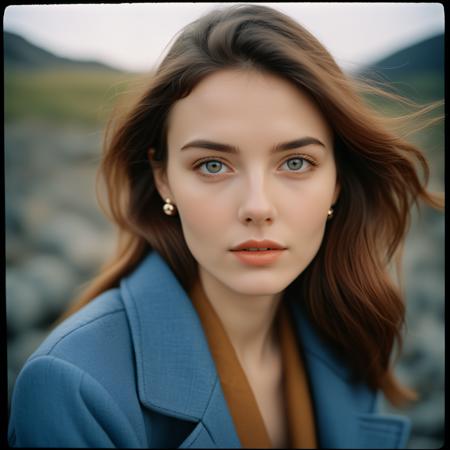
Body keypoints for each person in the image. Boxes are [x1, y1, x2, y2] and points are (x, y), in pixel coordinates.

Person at [8, 4, 443, 448]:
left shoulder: (348, 332)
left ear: (336, 181)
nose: (257, 206)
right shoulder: (74, 387)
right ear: (163, 179)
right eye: (213, 164)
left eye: (296, 162)